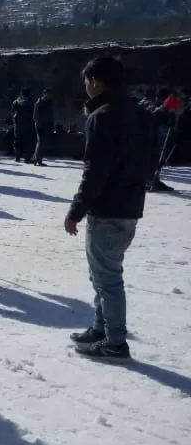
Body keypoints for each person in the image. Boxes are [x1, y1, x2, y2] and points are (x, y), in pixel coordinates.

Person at [65, 57, 156, 361]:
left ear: (96, 82)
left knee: (107, 278)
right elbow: (151, 158)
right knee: (104, 274)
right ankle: (101, 328)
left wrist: (77, 209)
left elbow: (96, 169)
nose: (85, 87)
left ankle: (115, 341)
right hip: (130, 206)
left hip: (107, 207)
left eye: (87, 81)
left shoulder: (102, 116)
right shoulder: (140, 113)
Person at [12, 87, 35, 163]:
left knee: (17, 141)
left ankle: (17, 156)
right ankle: (27, 158)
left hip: (17, 124)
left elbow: (13, 111)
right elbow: (33, 113)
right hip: (27, 124)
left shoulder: (16, 101)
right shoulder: (30, 101)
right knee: (27, 141)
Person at [32, 89, 55, 166]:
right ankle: (37, 160)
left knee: (42, 143)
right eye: (48, 94)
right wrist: (39, 125)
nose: (50, 96)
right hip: (40, 125)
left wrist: (52, 125)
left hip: (47, 125)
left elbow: (50, 115)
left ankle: (36, 159)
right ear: (44, 94)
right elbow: (36, 115)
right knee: (40, 142)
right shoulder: (39, 103)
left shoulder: (49, 102)